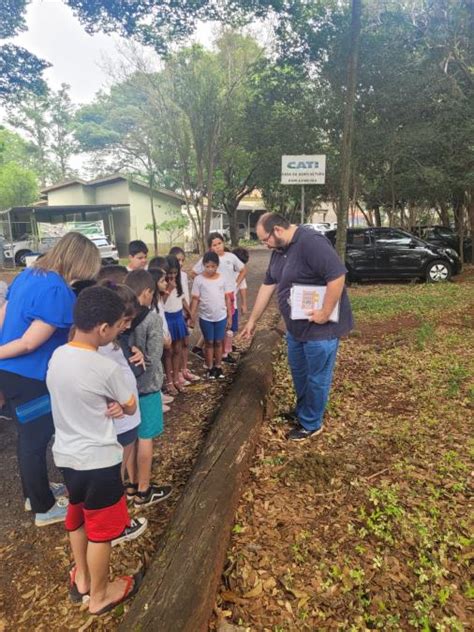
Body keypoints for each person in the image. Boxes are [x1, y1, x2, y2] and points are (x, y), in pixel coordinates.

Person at [46, 286, 144, 614]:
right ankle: (100, 595)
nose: (118, 332)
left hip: (67, 457)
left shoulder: (58, 356)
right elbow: (130, 406)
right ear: (103, 329)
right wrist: (121, 404)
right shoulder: (105, 368)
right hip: (99, 462)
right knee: (101, 531)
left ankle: (83, 578)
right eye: (117, 327)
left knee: (77, 515)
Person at [0, 232, 101, 526]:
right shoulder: (58, 292)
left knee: (29, 435)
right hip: (29, 375)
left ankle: (35, 493)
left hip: (12, 373)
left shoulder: (28, 274)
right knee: (35, 437)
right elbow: (30, 342)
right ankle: (43, 507)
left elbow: (4, 314)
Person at [241, 213, 353, 441]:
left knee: (316, 377)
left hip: (320, 330)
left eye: (265, 239)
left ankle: (312, 424)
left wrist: (324, 312)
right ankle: (304, 412)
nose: (265, 244)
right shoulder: (280, 251)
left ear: (278, 230)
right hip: (296, 328)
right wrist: (252, 321)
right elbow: (268, 284)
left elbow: (337, 276)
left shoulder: (311, 242)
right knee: (300, 373)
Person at [124, 270, 173, 508]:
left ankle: (131, 485)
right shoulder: (152, 319)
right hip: (148, 389)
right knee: (145, 438)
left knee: (130, 439)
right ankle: (144, 490)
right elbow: (154, 357)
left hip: (125, 390)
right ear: (146, 293)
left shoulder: (120, 319)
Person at [191, 232, 247, 363]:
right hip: (214, 300)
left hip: (229, 297)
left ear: (223, 243)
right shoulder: (209, 258)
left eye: (219, 243)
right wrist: (206, 285)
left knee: (228, 325)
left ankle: (223, 354)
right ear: (210, 248)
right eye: (214, 245)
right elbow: (193, 272)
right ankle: (216, 357)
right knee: (213, 326)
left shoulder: (231, 257)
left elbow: (243, 270)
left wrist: (236, 283)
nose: (218, 247)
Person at [190, 252, 233, 380]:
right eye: (207, 266)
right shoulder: (199, 280)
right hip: (205, 317)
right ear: (203, 265)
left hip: (221, 316)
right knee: (209, 342)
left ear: (217, 266)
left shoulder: (222, 279)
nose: (210, 269)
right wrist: (192, 315)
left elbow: (227, 298)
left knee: (218, 342)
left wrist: (229, 316)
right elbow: (195, 299)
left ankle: (218, 366)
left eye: (213, 266)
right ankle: (209, 367)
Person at [168, 246, 200, 383]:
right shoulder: (168, 277)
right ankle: (176, 373)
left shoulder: (184, 276)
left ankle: (184, 369)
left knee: (186, 343)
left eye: (182, 260)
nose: (180, 263)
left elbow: (183, 296)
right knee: (175, 347)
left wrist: (190, 313)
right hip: (174, 315)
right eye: (177, 260)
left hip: (184, 314)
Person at [163, 255, 190, 393]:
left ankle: (176, 378)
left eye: (175, 272)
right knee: (168, 352)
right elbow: (160, 303)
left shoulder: (179, 282)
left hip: (178, 317)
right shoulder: (162, 284)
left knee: (178, 350)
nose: (173, 275)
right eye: (170, 273)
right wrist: (169, 288)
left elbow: (182, 299)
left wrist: (189, 312)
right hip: (167, 319)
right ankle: (168, 381)